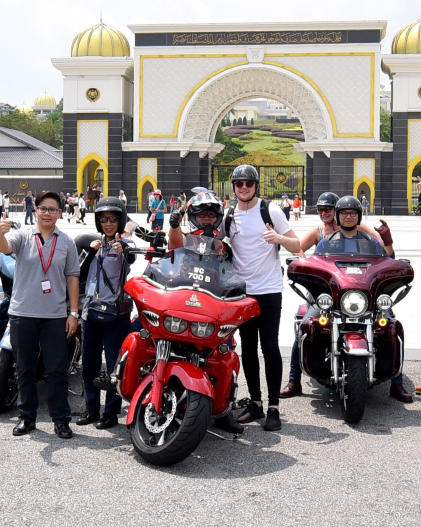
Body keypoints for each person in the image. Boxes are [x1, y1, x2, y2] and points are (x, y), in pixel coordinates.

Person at [281, 194, 412, 403]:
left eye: (352, 213)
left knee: (394, 325)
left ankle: (397, 384)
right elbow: (311, 258)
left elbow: (387, 259)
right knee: (306, 324)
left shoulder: (368, 240)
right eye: (344, 213)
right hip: (334, 296)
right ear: (339, 217)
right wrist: (302, 266)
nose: (348, 217)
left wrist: (388, 240)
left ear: (358, 215)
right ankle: (294, 380)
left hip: (362, 294)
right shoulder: (327, 241)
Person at [0, 190, 80, 439]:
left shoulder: (66, 242)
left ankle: (61, 420)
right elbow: (4, 247)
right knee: (25, 368)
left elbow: (73, 279)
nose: (47, 213)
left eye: (52, 209)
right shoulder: (23, 235)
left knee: (56, 369)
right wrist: (0, 232)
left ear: (60, 213)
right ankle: (26, 417)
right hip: (22, 313)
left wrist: (73, 313)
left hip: (54, 316)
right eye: (43, 208)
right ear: (36, 209)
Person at [222, 164, 301, 431]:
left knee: (269, 347)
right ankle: (255, 403)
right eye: (238, 183)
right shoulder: (229, 215)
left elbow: (297, 245)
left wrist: (278, 237)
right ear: (233, 186)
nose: (243, 188)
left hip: (268, 289)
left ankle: (274, 407)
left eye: (248, 183)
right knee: (248, 347)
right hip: (243, 292)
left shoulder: (271, 210)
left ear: (256, 186)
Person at [168, 190, 243, 434]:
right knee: (141, 327)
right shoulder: (185, 238)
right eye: (202, 215)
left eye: (211, 215)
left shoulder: (223, 246)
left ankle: (225, 409)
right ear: (193, 217)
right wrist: (174, 224)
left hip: (211, 307)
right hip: (181, 301)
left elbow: (230, 277)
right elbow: (174, 245)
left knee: (228, 350)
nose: (207, 219)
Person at [77, 197, 134, 429]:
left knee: (113, 367)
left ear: (120, 220)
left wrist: (125, 249)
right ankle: (91, 409)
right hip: (90, 314)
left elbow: (131, 257)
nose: (108, 223)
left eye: (113, 219)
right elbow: (79, 274)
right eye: (103, 219)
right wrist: (90, 253)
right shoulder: (94, 245)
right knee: (89, 364)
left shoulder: (124, 245)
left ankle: (110, 413)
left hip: (115, 316)